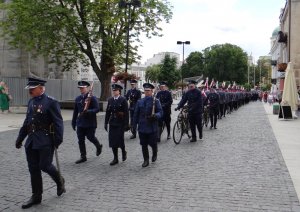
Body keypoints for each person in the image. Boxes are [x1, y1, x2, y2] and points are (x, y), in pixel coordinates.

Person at [15, 77, 65, 209]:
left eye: (32, 89)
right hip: (31, 141)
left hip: (45, 140)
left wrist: (57, 141)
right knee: (33, 169)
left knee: (45, 165)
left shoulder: (51, 102)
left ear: (41, 88)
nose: (30, 91)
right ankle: (36, 196)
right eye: (29, 89)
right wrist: (20, 138)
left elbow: (58, 123)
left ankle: (59, 180)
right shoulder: (31, 102)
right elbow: (27, 122)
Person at [72, 81, 103, 164]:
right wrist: (73, 122)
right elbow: (75, 111)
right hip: (80, 122)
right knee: (80, 139)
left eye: (83, 88)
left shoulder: (92, 98)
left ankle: (98, 146)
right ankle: (83, 156)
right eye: (80, 88)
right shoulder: (78, 99)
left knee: (90, 137)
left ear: (87, 88)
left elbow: (97, 109)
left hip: (90, 122)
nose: (81, 89)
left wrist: (88, 111)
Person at [132, 83, 163, 167]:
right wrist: (133, 125)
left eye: (148, 91)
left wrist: (155, 115)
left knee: (153, 143)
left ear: (151, 91)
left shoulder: (155, 101)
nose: (146, 92)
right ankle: (146, 160)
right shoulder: (140, 101)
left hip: (152, 126)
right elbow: (136, 114)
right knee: (143, 144)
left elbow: (160, 112)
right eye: (145, 91)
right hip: (142, 126)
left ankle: (155, 152)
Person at [104, 84, 129, 166]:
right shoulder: (110, 100)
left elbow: (126, 113)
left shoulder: (123, 100)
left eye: (116, 90)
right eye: (113, 90)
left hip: (120, 123)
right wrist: (106, 122)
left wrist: (126, 124)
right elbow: (108, 112)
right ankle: (115, 158)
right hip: (112, 122)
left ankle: (123, 151)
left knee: (120, 139)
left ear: (119, 91)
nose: (114, 92)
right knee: (112, 140)